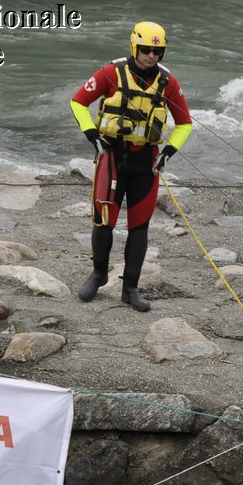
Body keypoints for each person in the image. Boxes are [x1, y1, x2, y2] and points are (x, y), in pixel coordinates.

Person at [69, 21, 194, 312]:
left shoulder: (167, 83)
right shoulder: (110, 73)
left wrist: (168, 153)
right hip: (111, 158)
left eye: (157, 51)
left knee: (140, 226)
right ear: (134, 46)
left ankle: (130, 288)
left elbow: (185, 123)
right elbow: (78, 103)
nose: (151, 56)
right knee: (104, 220)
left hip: (145, 163)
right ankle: (98, 275)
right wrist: (92, 134)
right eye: (146, 50)